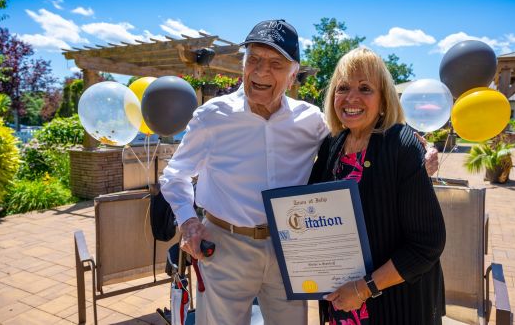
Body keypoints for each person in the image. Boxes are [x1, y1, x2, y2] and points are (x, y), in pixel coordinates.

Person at [160, 20, 439, 325]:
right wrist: (188, 222)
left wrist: (419, 145)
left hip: (291, 251)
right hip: (227, 245)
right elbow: (174, 175)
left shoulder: (311, 121)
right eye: (253, 59)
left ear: (294, 74)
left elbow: (364, 123)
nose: (262, 71)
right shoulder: (212, 116)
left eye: (276, 63)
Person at [308, 47, 446, 325]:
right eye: (343, 87)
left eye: (365, 88)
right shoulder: (331, 145)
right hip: (342, 304)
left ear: (384, 99)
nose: (351, 98)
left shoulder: (402, 145)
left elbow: (427, 245)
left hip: (392, 306)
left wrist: (363, 288)